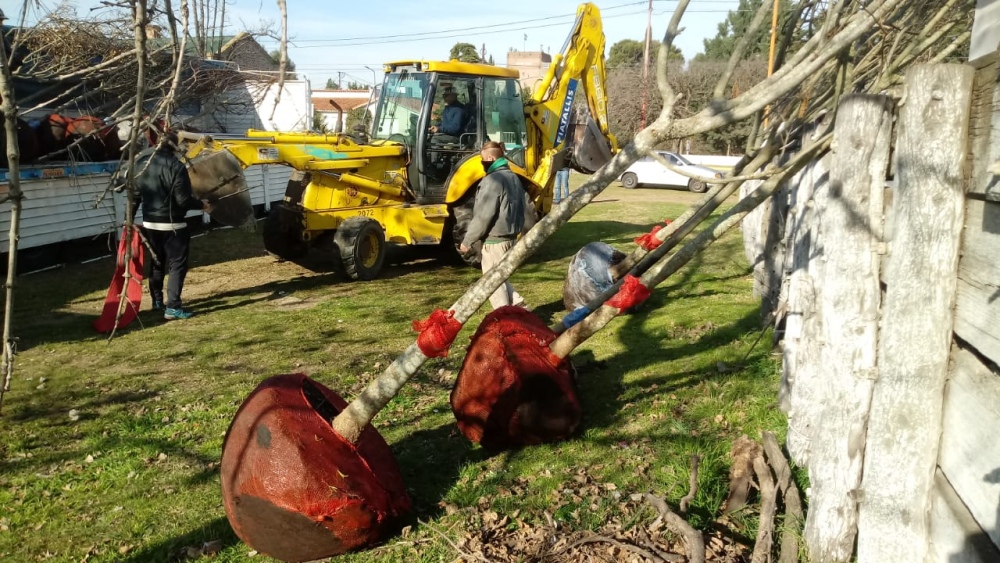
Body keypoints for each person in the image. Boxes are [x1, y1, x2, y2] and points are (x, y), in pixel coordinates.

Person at [134, 130, 211, 320]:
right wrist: (202, 205)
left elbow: (134, 195)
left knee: (157, 262)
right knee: (177, 265)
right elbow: (183, 200)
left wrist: (130, 219)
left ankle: (157, 301)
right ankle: (173, 307)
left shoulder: (141, 164)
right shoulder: (176, 166)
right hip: (173, 225)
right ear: (175, 146)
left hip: (149, 223)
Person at [459, 141, 533, 310]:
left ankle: (505, 318)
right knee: (501, 276)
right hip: (511, 238)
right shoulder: (513, 177)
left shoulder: (493, 180)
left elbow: (483, 216)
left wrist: (467, 241)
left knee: (493, 283)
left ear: (491, 158)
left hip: (495, 242)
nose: (482, 162)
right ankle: (518, 304)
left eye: (483, 159)